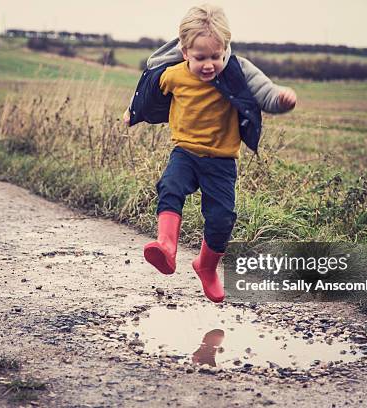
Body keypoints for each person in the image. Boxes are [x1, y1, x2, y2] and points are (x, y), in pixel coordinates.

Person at [123, 4, 296, 303]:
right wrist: (131, 112)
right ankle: (166, 246)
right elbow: (147, 91)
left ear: (225, 49)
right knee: (170, 187)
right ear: (185, 51)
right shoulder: (173, 74)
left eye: (215, 57)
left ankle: (206, 266)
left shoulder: (236, 71)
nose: (208, 65)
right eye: (200, 57)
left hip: (222, 161)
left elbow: (265, 92)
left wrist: (282, 99)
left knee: (221, 218)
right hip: (185, 153)